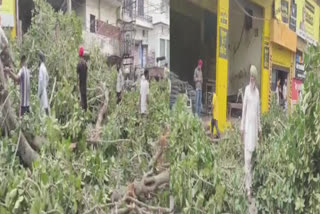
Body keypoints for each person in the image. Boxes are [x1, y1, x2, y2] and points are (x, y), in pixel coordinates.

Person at [240, 65, 261, 201]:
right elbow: (244, 110)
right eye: (250, 76)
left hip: (254, 131)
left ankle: (250, 185)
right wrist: (242, 128)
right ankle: (247, 189)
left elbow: (258, 113)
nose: (251, 78)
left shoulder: (257, 92)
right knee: (247, 159)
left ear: (256, 78)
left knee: (252, 160)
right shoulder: (247, 90)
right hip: (247, 129)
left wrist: (260, 128)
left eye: (253, 76)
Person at [38, 52, 50, 116]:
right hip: (44, 89)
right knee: (46, 106)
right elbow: (48, 78)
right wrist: (46, 85)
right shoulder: (44, 67)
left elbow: (41, 80)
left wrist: (39, 92)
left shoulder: (41, 68)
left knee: (43, 108)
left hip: (42, 91)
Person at [77, 46, 88, 111]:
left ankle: (82, 112)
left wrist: (77, 86)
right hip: (85, 84)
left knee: (81, 99)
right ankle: (85, 111)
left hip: (81, 84)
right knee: (85, 98)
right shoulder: (85, 64)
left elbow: (78, 76)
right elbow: (87, 75)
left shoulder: (79, 64)